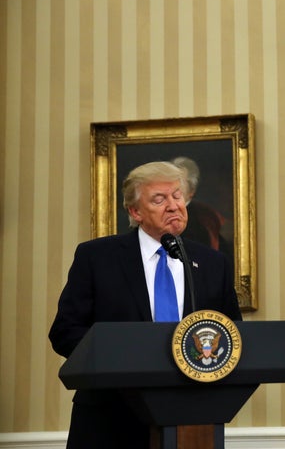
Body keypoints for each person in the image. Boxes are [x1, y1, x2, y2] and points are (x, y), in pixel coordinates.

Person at [49, 161, 241, 449]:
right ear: (135, 212)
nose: (174, 206)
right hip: (110, 415)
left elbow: (232, 331)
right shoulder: (98, 257)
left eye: (178, 196)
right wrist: (121, 359)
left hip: (193, 415)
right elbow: (65, 332)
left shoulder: (213, 263)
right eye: (159, 199)